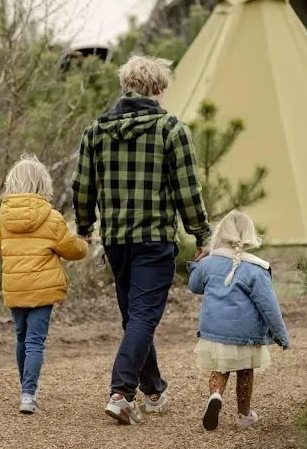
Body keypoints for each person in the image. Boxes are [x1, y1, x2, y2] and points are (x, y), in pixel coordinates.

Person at [71, 55, 211, 425]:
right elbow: (187, 190)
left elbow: (83, 187)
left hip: (116, 240)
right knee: (143, 316)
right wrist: (201, 233)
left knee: (136, 317)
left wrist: (85, 227)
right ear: (160, 89)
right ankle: (121, 393)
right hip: (154, 239)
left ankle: (154, 390)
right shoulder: (171, 130)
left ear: (125, 86)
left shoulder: (95, 131)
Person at [0, 155, 89, 414]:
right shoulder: (51, 218)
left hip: (14, 286)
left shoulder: (3, 219)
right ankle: (28, 394)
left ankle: (24, 389)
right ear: (42, 185)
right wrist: (85, 243)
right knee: (35, 341)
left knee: (21, 337)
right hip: (43, 288)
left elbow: (2, 249)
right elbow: (71, 249)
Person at [187, 211, 290, 431]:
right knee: (245, 370)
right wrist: (280, 334)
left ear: (221, 233)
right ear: (249, 235)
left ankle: (215, 395)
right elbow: (269, 305)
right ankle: (244, 415)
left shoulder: (209, 262)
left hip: (214, 330)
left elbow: (195, 286)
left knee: (219, 368)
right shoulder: (256, 268)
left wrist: (200, 261)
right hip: (246, 334)